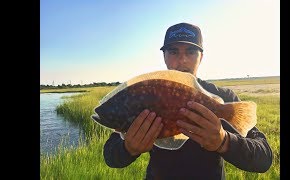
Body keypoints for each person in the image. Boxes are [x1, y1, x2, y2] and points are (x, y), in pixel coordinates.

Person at [103, 22, 273, 179]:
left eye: (190, 52)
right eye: (173, 52)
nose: (182, 60)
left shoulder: (224, 99)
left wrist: (224, 141)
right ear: (164, 56)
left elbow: (264, 158)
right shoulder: (147, 92)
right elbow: (110, 156)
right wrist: (128, 149)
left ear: (201, 57)